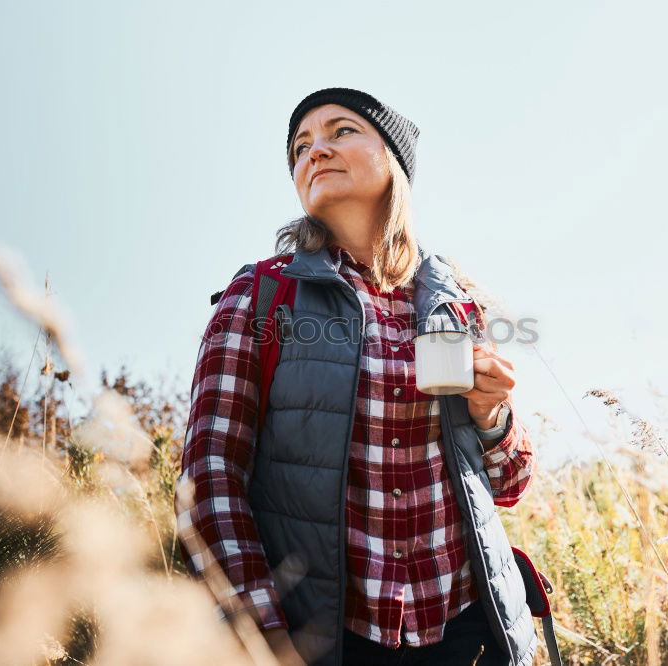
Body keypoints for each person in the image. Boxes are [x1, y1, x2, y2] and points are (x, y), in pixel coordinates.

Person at [176, 87, 538, 666]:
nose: (315, 151)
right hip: (329, 642)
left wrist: (492, 415)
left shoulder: (458, 305)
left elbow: (511, 485)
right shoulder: (261, 296)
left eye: (341, 131)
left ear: (393, 158)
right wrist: (264, 637)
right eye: (300, 146)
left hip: (469, 633)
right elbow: (209, 480)